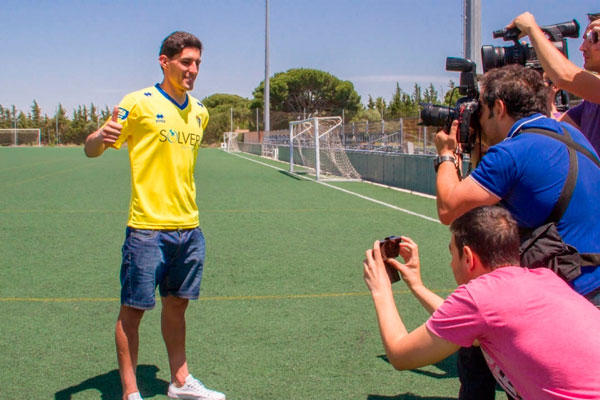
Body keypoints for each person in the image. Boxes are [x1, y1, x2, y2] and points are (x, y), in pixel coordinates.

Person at [434, 64, 600, 399]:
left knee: (477, 335)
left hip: (567, 294)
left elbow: (449, 207)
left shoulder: (514, 152)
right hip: (592, 284)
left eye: (481, 110)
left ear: (499, 108)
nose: (477, 119)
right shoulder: (574, 136)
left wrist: (447, 156)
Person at [84, 31, 225, 400]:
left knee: (177, 306)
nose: (193, 70)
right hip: (147, 230)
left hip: (189, 229)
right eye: (185, 62)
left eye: (197, 63)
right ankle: (131, 393)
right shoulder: (138, 103)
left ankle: (180, 382)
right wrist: (100, 134)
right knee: (133, 311)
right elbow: (92, 150)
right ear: (164, 61)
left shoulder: (200, 112)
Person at [363, 206, 600, 400]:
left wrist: (380, 289)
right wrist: (417, 285)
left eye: (452, 254)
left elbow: (400, 355)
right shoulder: (543, 278)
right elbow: (473, 335)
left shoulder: (479, 296)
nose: (450, 264)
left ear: (468, 257)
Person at [508, 12, 600, 154]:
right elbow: (553, 131)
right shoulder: (589, 104)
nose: (582, 48)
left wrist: (532, 28)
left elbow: (563, 76)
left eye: (592, 38)